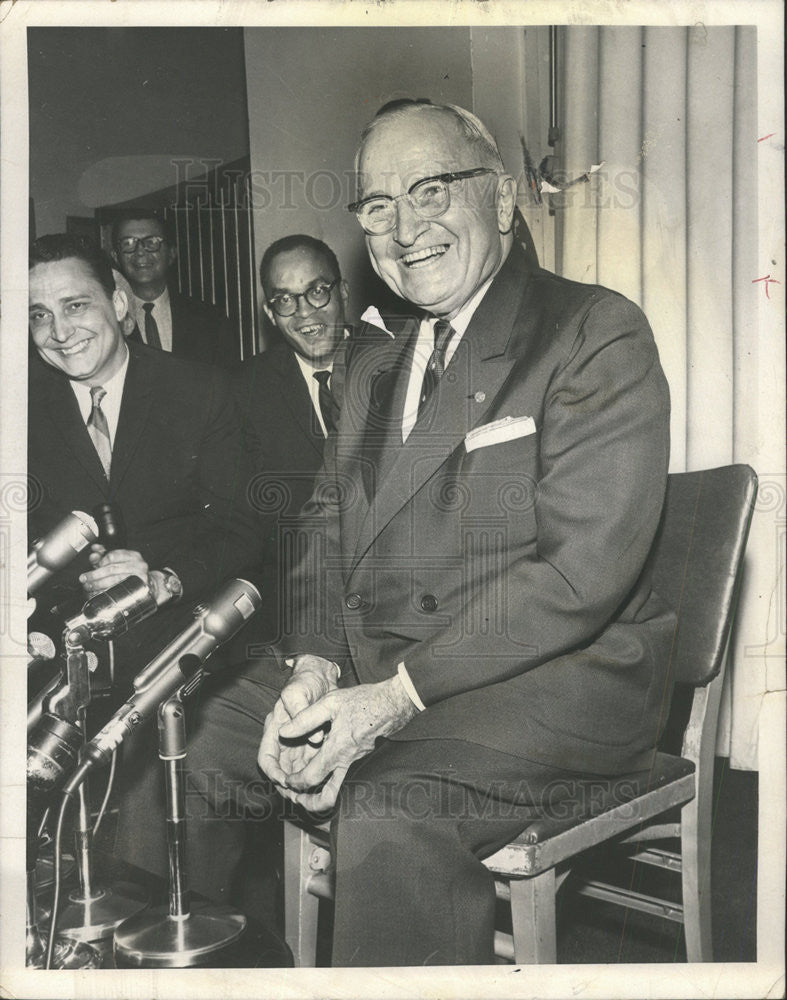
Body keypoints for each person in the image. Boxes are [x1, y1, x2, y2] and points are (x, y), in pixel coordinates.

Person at [253, 99, 675, 966]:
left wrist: (393, 697)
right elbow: (324, 527)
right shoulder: (371, 367)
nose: (405, 228)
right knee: (190, 729)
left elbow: (580, 576)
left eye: (432, 189)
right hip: (401, 668)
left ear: (503, 197)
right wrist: (313, 665)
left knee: (387, 806)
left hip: (564, 680)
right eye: (376, 206)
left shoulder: (593, 330)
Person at [27, 232, 262, 873]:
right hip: (59, 662)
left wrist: (163, 577)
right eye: (38, 315)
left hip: (183, 652)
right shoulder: (18, 409)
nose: (58, 331)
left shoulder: (203, 390)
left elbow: (245, 528)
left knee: (155, 863)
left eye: (75, 305)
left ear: (121, 302)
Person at [110, 211, 238, 367]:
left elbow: (228, 383)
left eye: (151, 242)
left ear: (171, 253)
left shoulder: (211, 320)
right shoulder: (108, 321)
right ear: (116, 257)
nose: (141, 251)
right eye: (128, 243)